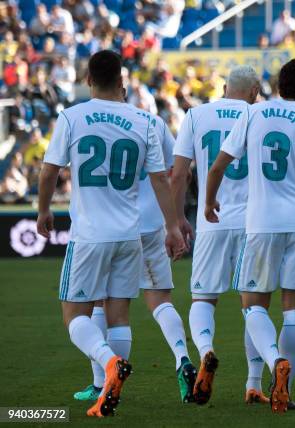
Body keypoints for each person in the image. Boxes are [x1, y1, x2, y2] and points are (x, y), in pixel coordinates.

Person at [36, 50, 186, 417]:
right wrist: (171, 226)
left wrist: (43, 209)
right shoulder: (143, 121)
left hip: (89, 234)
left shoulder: (71, 116)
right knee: (119, 316)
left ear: (88, 80)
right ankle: (108, 394)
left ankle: (108, 365)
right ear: (122, 81)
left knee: (75, 317)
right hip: (129, 234)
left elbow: (49, 170)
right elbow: (160, 179)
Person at [205, 57, 295, 413]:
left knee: (253, 304)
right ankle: (284, 389)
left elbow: (219, 164)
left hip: (260, 222)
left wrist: (209, 201)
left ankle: (275, 360)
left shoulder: (252, 113)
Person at [72, 112, 198, 404]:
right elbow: (182, 171)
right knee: (161, 299)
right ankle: (182, 357)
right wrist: (176, 219)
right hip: (153, 224)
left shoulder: (90, 119)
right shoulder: (153, 122)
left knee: (103, 301)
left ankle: (101, 382)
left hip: (112, 224)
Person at [171, 66, 269, 406]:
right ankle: (254, 382)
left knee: (203, 298)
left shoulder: (196, 115)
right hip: (253, 221)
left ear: (226, 87)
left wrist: (178, 216)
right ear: (255, 90)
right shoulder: (261, 114)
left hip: (211, 217)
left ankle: (207, 350)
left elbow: (179, 173)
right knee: (253, 306)